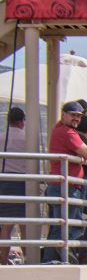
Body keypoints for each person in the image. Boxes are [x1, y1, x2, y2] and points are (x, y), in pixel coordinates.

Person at [43, 101, 87, 263]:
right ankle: (54, 261)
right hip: (66, 186)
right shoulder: (67, 132)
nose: (76, 119)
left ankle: (57, 258)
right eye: (73, 115)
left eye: (79, 116)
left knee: (61, 227)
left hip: (67, 185)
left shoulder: (64, 130)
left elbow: (86, 153)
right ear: (64, 114)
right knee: (65, 227)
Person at [1, 107, 28, 265]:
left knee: (6, 226)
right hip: (24, 183)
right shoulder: (28, 138)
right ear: (21, 121)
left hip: (5, 182)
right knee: (25, 225)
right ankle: (28, 259)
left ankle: (3, 260)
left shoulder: (2, 138)